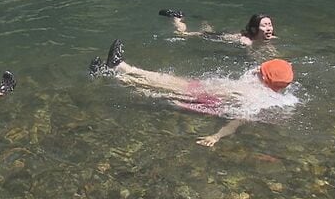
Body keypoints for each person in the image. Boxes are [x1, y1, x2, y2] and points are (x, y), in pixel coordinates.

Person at [90, 39, 294, 147]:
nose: (258, 68)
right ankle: (115, 70)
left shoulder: (257, 99)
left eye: (262, 70)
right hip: (201, 89)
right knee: (158, 84)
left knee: (155, 88)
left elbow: (239, 120)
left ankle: (116, 70)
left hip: (201, 97)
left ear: (266, 79)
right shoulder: (267, 89)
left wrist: (217, 136)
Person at [161, 10, 276, 46]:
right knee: (182, 34)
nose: (269, 28)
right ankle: (177, 18)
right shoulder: (247, 41)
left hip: (223, 34)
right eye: (264, 25)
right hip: (216, 37)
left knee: (207, 29)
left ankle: (203, 21)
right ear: (254, 29)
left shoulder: (271, 37)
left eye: (270, 25)